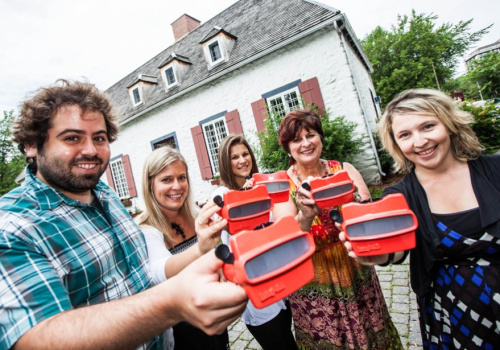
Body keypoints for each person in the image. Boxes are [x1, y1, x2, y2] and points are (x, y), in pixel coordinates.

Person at [0, 80, 247, 350]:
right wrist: (171, 303)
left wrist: (204, 259)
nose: (91, 150)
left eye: (100, 138)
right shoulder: (13, 225)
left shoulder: (104, 194)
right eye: (72, 138)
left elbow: (142, 275)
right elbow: (35, 338)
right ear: (30, 145)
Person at [343, 88, 500, 349]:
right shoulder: (399, 196)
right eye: (405, 135)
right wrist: (378, 255)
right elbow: (398, 251)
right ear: (396, 144)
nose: (419, 142)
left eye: (428, 126)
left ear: (449, 124)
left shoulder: (495, 170)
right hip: (455, 315)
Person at [273, 109, 403, 349]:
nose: (305, 143)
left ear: (321, 138)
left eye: (310, 135)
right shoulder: (283, 186)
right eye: (296, 140)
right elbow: (286, 241)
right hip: (314, 283)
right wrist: (305, 215)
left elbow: (370, 219)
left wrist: (356, 207)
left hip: (356, 272)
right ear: (288, 148)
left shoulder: (345, 170)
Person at [136, 145, 230, 350]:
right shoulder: (146, 228)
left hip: (213, 315)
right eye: (166, 180)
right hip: (182, 329)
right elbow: (160, 271)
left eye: (182, 177)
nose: (177, 186)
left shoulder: (195, 213)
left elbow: (215, 251)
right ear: (150, 184)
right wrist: (200, 249)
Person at [216, 134, 297, 350]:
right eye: (235, 157)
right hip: (257, 292)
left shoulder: (261, 188)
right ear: (226, 163)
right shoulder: (223, 195)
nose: (243, 160)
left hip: (280, 282)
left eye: (245, 154)